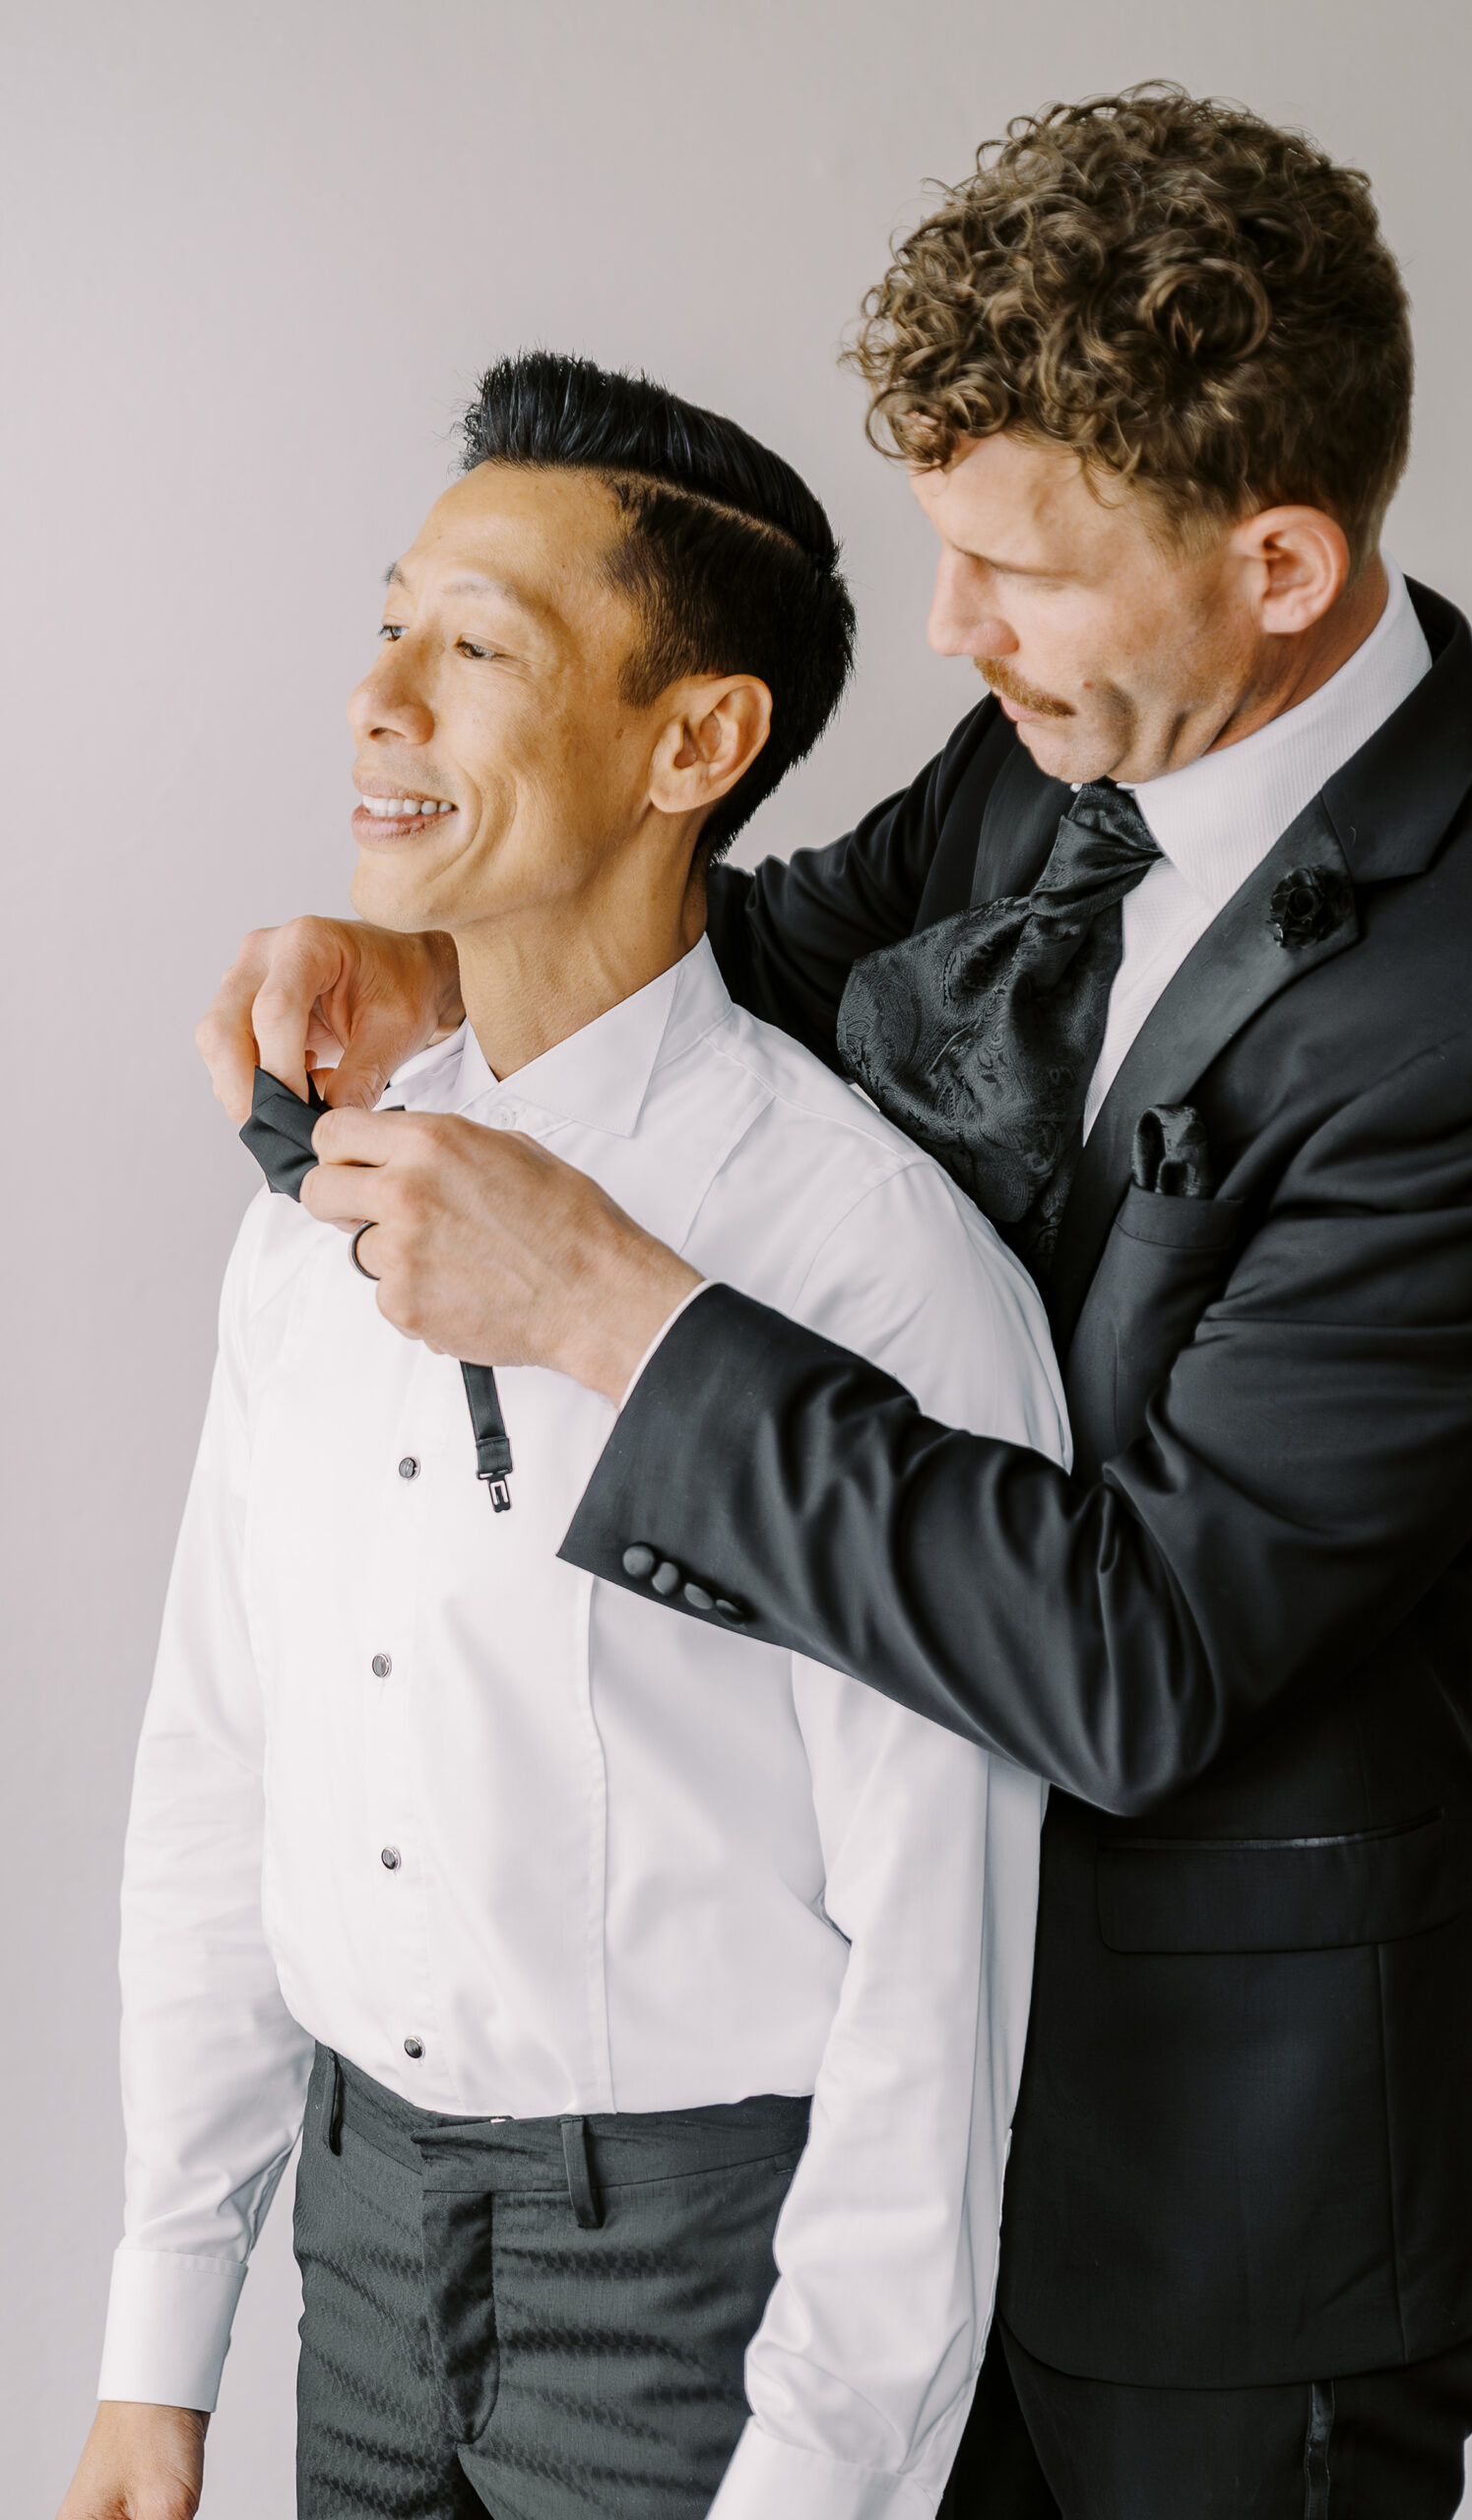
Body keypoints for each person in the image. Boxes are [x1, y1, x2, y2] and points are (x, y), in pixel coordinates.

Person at [196, 88, 1472, 2520]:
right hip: (873, 2130)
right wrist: (412, 954)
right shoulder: (1067, 751)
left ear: (1279, 561)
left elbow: (1143, 1658)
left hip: (1223, 2186)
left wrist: (621, 1320)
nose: (956, 628)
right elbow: (751, 965)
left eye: (1017, 567)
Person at [61, 352, 1071, 2520]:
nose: (380, 696)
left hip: (700, 2291)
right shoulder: (317, 1191)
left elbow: (938, 1978)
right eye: (390, 618)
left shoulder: (872, 1263)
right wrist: (161, 2337)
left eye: (480, 644)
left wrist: (819, 2480)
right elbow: (219, 1761)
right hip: (355, 2255)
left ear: (692, 740)